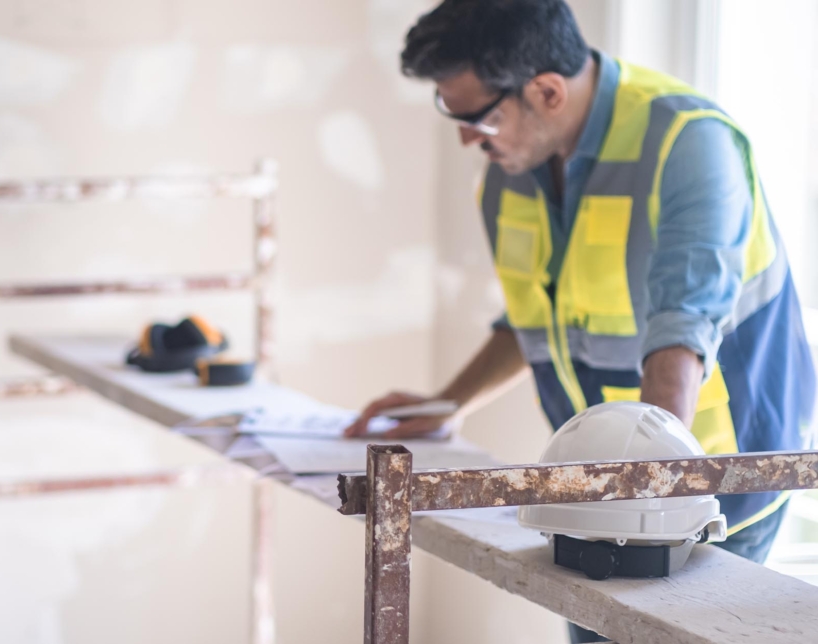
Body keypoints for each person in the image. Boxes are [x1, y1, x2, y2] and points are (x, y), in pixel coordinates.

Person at [341, 1, 815, 641]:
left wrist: (647, 499)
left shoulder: (687, 143)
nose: (465, 138)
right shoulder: (509, 177)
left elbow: (683, 330)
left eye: (477, 116)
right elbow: (536, 321)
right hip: (600, 492)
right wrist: (452, 401)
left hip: (711, 487)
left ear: (546, 91)